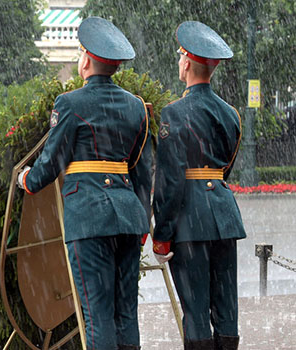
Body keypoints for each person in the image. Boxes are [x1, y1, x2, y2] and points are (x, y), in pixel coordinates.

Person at [17, 17, 152, 350]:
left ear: (87, 59)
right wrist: (143, 215)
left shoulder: (70, 104)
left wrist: (27, 179)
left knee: (96, 314)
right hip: (128, 214)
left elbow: (51, 162)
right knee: (126, 313)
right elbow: (139, 165)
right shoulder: (136, 107)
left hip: (90, 215)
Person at [152, 21, 246, 350]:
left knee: (195, 311)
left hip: (189, 223)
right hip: (224, 215)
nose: (179, 63)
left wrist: (161, 235)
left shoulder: (173, 114)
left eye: (180, 57)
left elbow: (170, 180)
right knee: (226, 309)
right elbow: (225, 169)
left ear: (188, 62)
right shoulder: (231, 113)